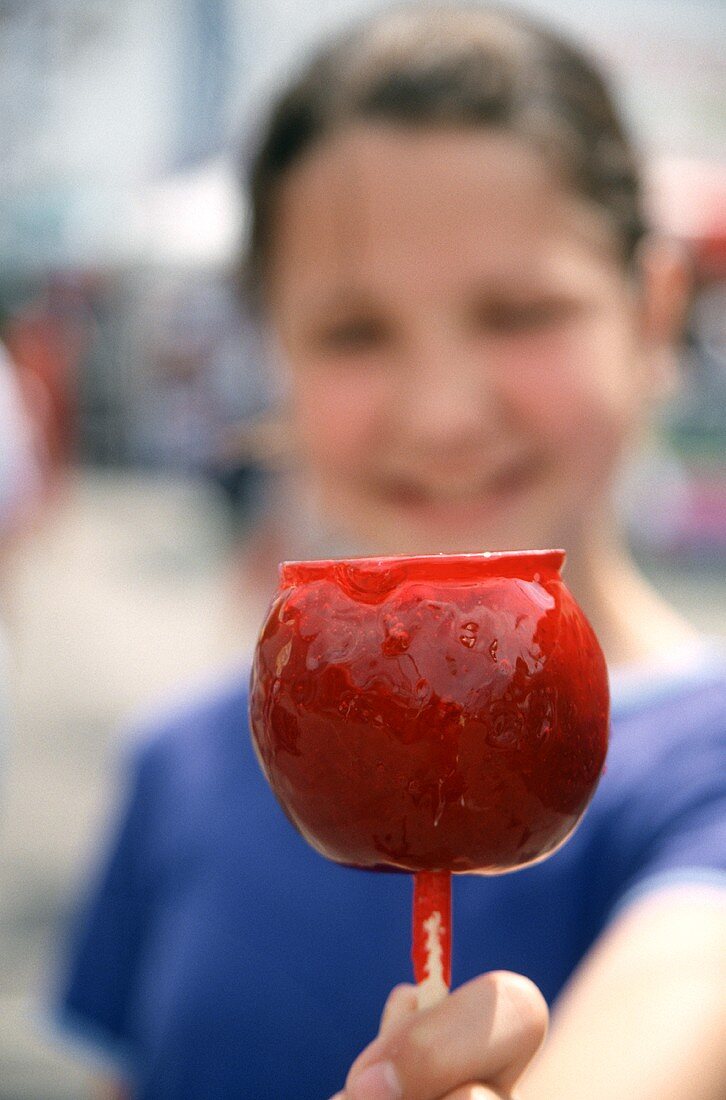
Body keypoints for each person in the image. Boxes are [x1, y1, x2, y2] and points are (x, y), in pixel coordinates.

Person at [52, 5, 726, 1098]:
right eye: (354, 332)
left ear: (652, 315)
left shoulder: (709, 772)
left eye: (518, 310)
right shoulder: (180, 767)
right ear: (276, 354)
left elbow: (679, 1007)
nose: (443, 411)